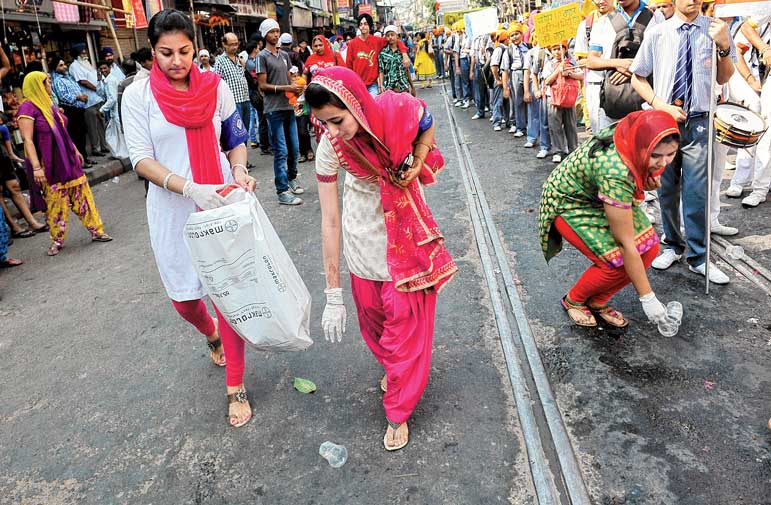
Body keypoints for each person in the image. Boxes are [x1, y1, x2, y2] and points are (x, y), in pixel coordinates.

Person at [307, 67, 457, 451]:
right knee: (375, 327)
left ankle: (398, 409)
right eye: (325, 123)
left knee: (405, 336)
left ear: (356, 102)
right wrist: (333, 292)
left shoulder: (395, 111)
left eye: (338, 120)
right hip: (363, 248)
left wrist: (419, 158)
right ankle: (397, 373)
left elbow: (427, 121)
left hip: (406, 246)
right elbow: (330, 220)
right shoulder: (330, 147)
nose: (334, 131)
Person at [122, 9, 256, 428]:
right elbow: (141, 159)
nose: (177, 61)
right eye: (166, 53)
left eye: (184, 51)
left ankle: (236, 385)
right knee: (184, 299)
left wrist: (238, 172)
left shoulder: (216, 88)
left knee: (229, 295)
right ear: (153, 52)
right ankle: (211, 334)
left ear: (195, 48)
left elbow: (235, 140)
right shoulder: (137, 96)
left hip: (219, 202)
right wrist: (187, 187)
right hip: (171, 208)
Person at [539, 110, 681, 329]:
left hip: (602, 193)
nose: (664, 162)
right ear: (642, 146)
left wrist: (651, 172)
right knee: (615, 261)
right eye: (656, 156)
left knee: (650, 249)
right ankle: (574, 299)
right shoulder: (615, 172)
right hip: (570, 201)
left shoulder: (636, 129)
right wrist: (648, 299)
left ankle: (597, 301)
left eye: (670, 154)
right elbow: (625, 244)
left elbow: (652, 159)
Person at [630, 0, 736, 284]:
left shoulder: (715, 30)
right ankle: (672, 245)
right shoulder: (658, 32)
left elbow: (725, 76)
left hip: (700, 122)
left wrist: (724, 47)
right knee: (666, 189)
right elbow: (637, 77)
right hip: (664, 122)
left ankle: (700, 257)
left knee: (697, 193)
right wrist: (659, 105)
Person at [18, 72, 112, 257]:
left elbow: (62, 132)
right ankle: (57, 240)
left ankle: (97, 231)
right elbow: (27, 141)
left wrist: (75, 150)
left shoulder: (48, 104)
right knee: (55, 203)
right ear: (37, 85)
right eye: (47, 82)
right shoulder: (27, 109)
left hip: (68, 158)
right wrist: (37, 168)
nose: (50, 85)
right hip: (49, 164)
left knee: (83, 196)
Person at [256, 18, 305, 205]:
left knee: (294, 148)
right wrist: (286, 87)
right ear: (265, 35)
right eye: (272, 32)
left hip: (288, 106)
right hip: (273, 109)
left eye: (277, 31)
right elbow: (262, 86)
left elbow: (290, 78)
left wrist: (296, 85)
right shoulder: (262, 56)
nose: (275, 35)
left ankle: (292, 178)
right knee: (281, 151)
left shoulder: (284, 55)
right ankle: (282, 190)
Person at [0, 113, 47, 237]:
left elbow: (3, 127)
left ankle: (32, 221)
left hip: (2, 154)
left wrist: (11, 153)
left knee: (14, 186)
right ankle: (14, 227)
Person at [346, 13, 409, 97]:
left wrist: (404, 54)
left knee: (374, 105)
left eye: (365, 24)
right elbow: (349, 65)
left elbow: (395, 41)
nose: (363, 26)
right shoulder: (352, 44)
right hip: (358, 84)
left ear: (370, 26)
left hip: (373, 84)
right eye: (361, 24)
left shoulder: (377, 41)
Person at [574, 0, 612, 134]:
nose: (601, 1)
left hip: (623, 84)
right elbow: (581, 60)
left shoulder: (623, 19)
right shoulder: (586, 26)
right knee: (600, 133)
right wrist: (604, 63)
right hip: (596, 84)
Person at [50, 55, 93, 168]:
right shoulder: (58, 81)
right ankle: (80, 161)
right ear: (55, 68)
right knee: (76, 136)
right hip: (70, 111)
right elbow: (63, 96)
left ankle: (85, 158)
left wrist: (83, 96)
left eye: (64, 64)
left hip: (78, 110)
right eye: (61, 65)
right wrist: (78, 97)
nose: (64, 67)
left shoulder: (68, 78)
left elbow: (77, 89)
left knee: (82, 134)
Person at [542, 42, 583, 163]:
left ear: (565, 50)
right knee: (555, 125)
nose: (557, 52)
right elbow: (547, 81)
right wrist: (558, 71)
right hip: (553, 98)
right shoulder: (549, 64)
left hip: (569, 97)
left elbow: (581, 76)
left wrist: (569, 72)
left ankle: (573, 150)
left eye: (559, 49)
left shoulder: (571, 62)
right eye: (554, 49)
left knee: (570, 125)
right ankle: (558, 150)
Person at [68, 44, 110, 158]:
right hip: (89, 101)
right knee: (93, 126)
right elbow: (83, 81)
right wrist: (97, 89)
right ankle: (96, 149)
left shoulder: (87, 63)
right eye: (82, 52)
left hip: (98, 98)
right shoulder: (74, 66)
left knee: (101, 124)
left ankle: (104, 146)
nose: (85, 53)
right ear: (77, 55)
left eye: (85, 51)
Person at [215, 33, 251, 148]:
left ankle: (243, 158)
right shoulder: (220, 61)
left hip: (245, 99)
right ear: (224, 45)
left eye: (236, 44)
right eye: (231, 45)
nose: (234, 47)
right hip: (233, 103)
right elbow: (217, 82)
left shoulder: (240, 59)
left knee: (244, 132)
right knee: (235, 133)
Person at [97, 61, 128, 158]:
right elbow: (101, 94)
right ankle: (121, 153)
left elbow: (112, 99)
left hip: (116, 112)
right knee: (116, 134)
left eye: (105, 68)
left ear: (109, 68)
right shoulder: (106, 81)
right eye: (101, 69)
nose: (103, 70)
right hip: (113, 112)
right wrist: (99, 81)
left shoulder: (110, 80)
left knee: (117, 134)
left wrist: (101, 110)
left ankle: (124, 154)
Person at [502, 24, 529, 136]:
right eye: (512, 35)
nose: (515, 37)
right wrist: (505, 88)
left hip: (528, 73)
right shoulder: (508, 51)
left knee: (529, 100)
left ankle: (530, 125)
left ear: (521, 34)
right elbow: (505, 70)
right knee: (518, 102)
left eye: (516, 34)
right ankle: (520, 127)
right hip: (516, 74)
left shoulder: (528, 47)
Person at [378, 25, 415, 95]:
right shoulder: (382, 53)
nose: (390, 37)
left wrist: (412, 87)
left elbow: (407, 70)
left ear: (397, 36)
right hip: (389, 89)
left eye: (392, 35)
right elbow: (381, 71)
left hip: (404, 88)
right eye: (388, 35)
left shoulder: (403, 53)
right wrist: (381, 85)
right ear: (385, 37)